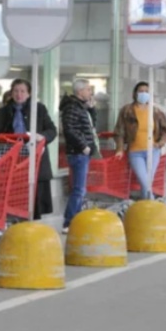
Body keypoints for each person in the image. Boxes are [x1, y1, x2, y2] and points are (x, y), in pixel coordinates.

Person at [0, 79, 57, 217]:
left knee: (33, 199)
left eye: (23, 91)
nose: (19, 94)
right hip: (11, 158)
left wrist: (41, 136)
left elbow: (52, 130)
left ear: (29, 94)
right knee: (12, 195)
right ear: (11, 93)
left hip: (33, 158)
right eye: (16, 91)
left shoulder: (39, 109)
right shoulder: (2, 112)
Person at [113, 81, 166, 200]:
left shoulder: (156, 111)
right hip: (135, 151)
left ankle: (146, 209)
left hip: (153, 151)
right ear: (135, 93)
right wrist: (120, 149)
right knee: (145, 181)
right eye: (141, 91)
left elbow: (165, 130)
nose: (144, 94)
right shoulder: (127, 110)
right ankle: (152, 206)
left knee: (148, 181)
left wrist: (159, 144)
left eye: (147, 92)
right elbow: (119, 131)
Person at [60, 79, 98, 233]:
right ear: (80, 91)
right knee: (78, 189)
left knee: (80, 188)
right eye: (88, 89)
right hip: (78, 153)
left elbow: (91, 125)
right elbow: (69, 130)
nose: (90, 92)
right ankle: (69, 221)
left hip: (83, 152)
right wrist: (84, 146)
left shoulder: (81, 107)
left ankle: (73, 218)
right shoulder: (72, 108)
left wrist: (92, 109)